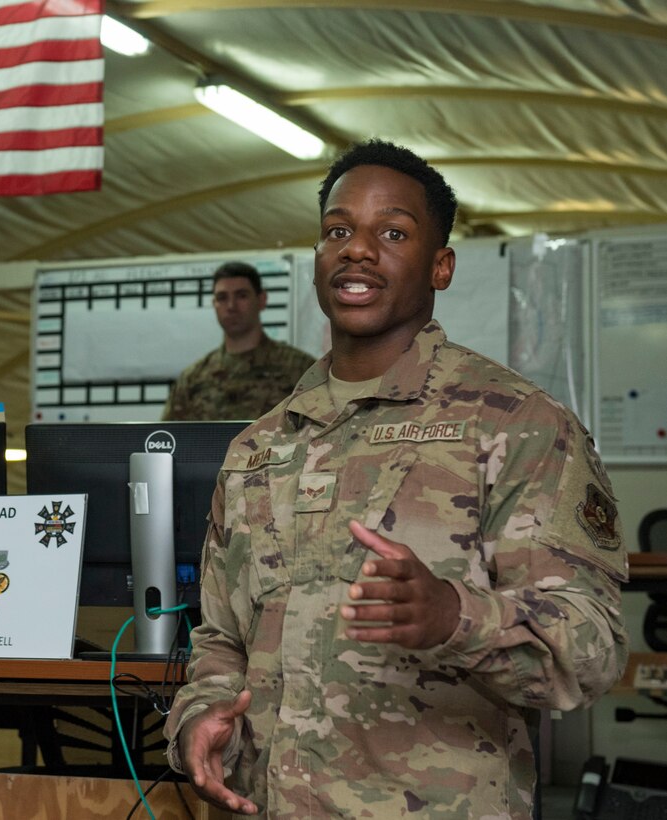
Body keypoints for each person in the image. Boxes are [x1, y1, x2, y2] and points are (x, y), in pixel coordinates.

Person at [164, 140, 628, 818]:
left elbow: (588, 651)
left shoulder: (515, 423)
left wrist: (452, 615)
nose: (356, 249)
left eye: (392, 232)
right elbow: (221, 638)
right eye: (336, 231)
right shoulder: (257, 448)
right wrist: (201, 716)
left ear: (439, 266)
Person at [162, 262, 316, 420]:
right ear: (214, 304)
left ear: (261, 300)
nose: (231, 306)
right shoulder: (192, 380)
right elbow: (171, 439)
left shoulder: (301, 370)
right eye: (222, 298)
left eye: (241, 296)